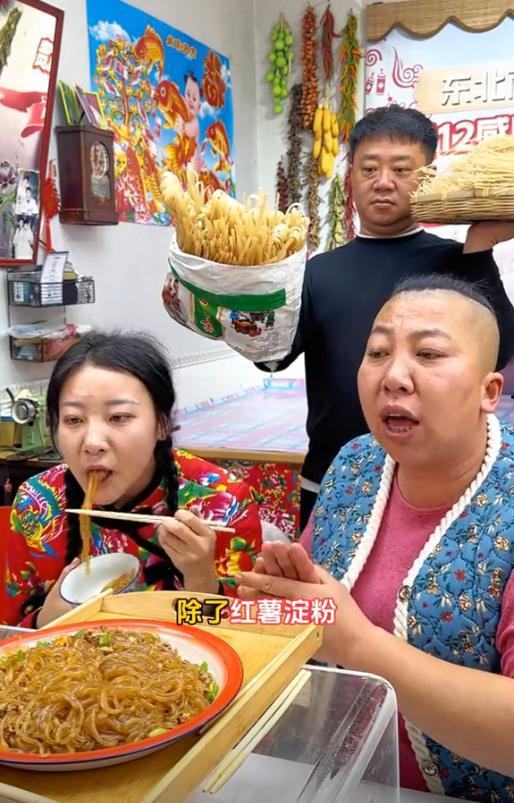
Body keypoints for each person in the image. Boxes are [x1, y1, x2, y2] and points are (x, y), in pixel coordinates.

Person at [237, 276, 514, 801]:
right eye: (378, 352)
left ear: (489, 392)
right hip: (340, 779)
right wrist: (275, 602)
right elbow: (310, 616)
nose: (393, 377)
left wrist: (357, 642)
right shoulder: (355, 463)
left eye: (428, 354)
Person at [257, 105, 514, 530]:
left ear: (428, 177)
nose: (383, 182)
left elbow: (498, 351)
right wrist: (232, 308)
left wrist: (480, 246)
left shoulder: (457, 260)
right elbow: (272, 357)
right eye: (369, 168)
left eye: (401, 169)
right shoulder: (318, 271)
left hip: (436, 485)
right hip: (330, 476)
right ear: (351, 178)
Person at [3, 332, 262, 629]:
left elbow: (249, 637)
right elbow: (10, 631)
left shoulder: (222, 502)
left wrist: (200, 577)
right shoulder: (37, 502)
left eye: (119, 417)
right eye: (74, 420)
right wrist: (45, 620)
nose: (93, 442)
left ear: (162, 424)